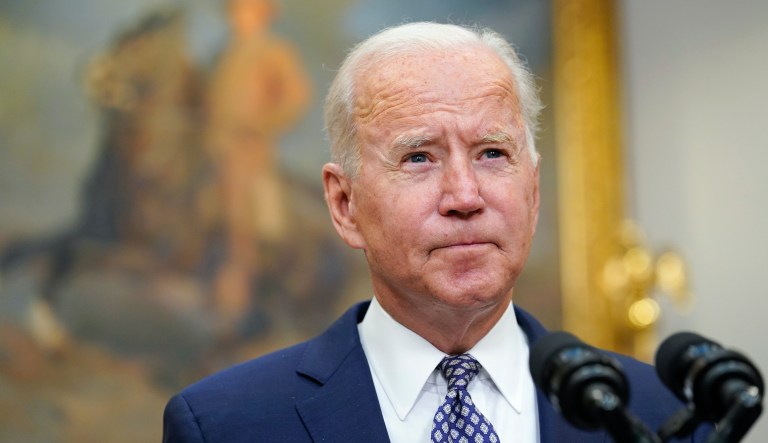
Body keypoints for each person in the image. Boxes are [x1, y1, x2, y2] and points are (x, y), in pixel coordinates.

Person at [163, 22, 711, 442]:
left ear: (534, 189)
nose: (465, 197)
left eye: (493, 153)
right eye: (419, 157)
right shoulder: (226, 425)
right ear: (344, 203)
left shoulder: (665, 415)